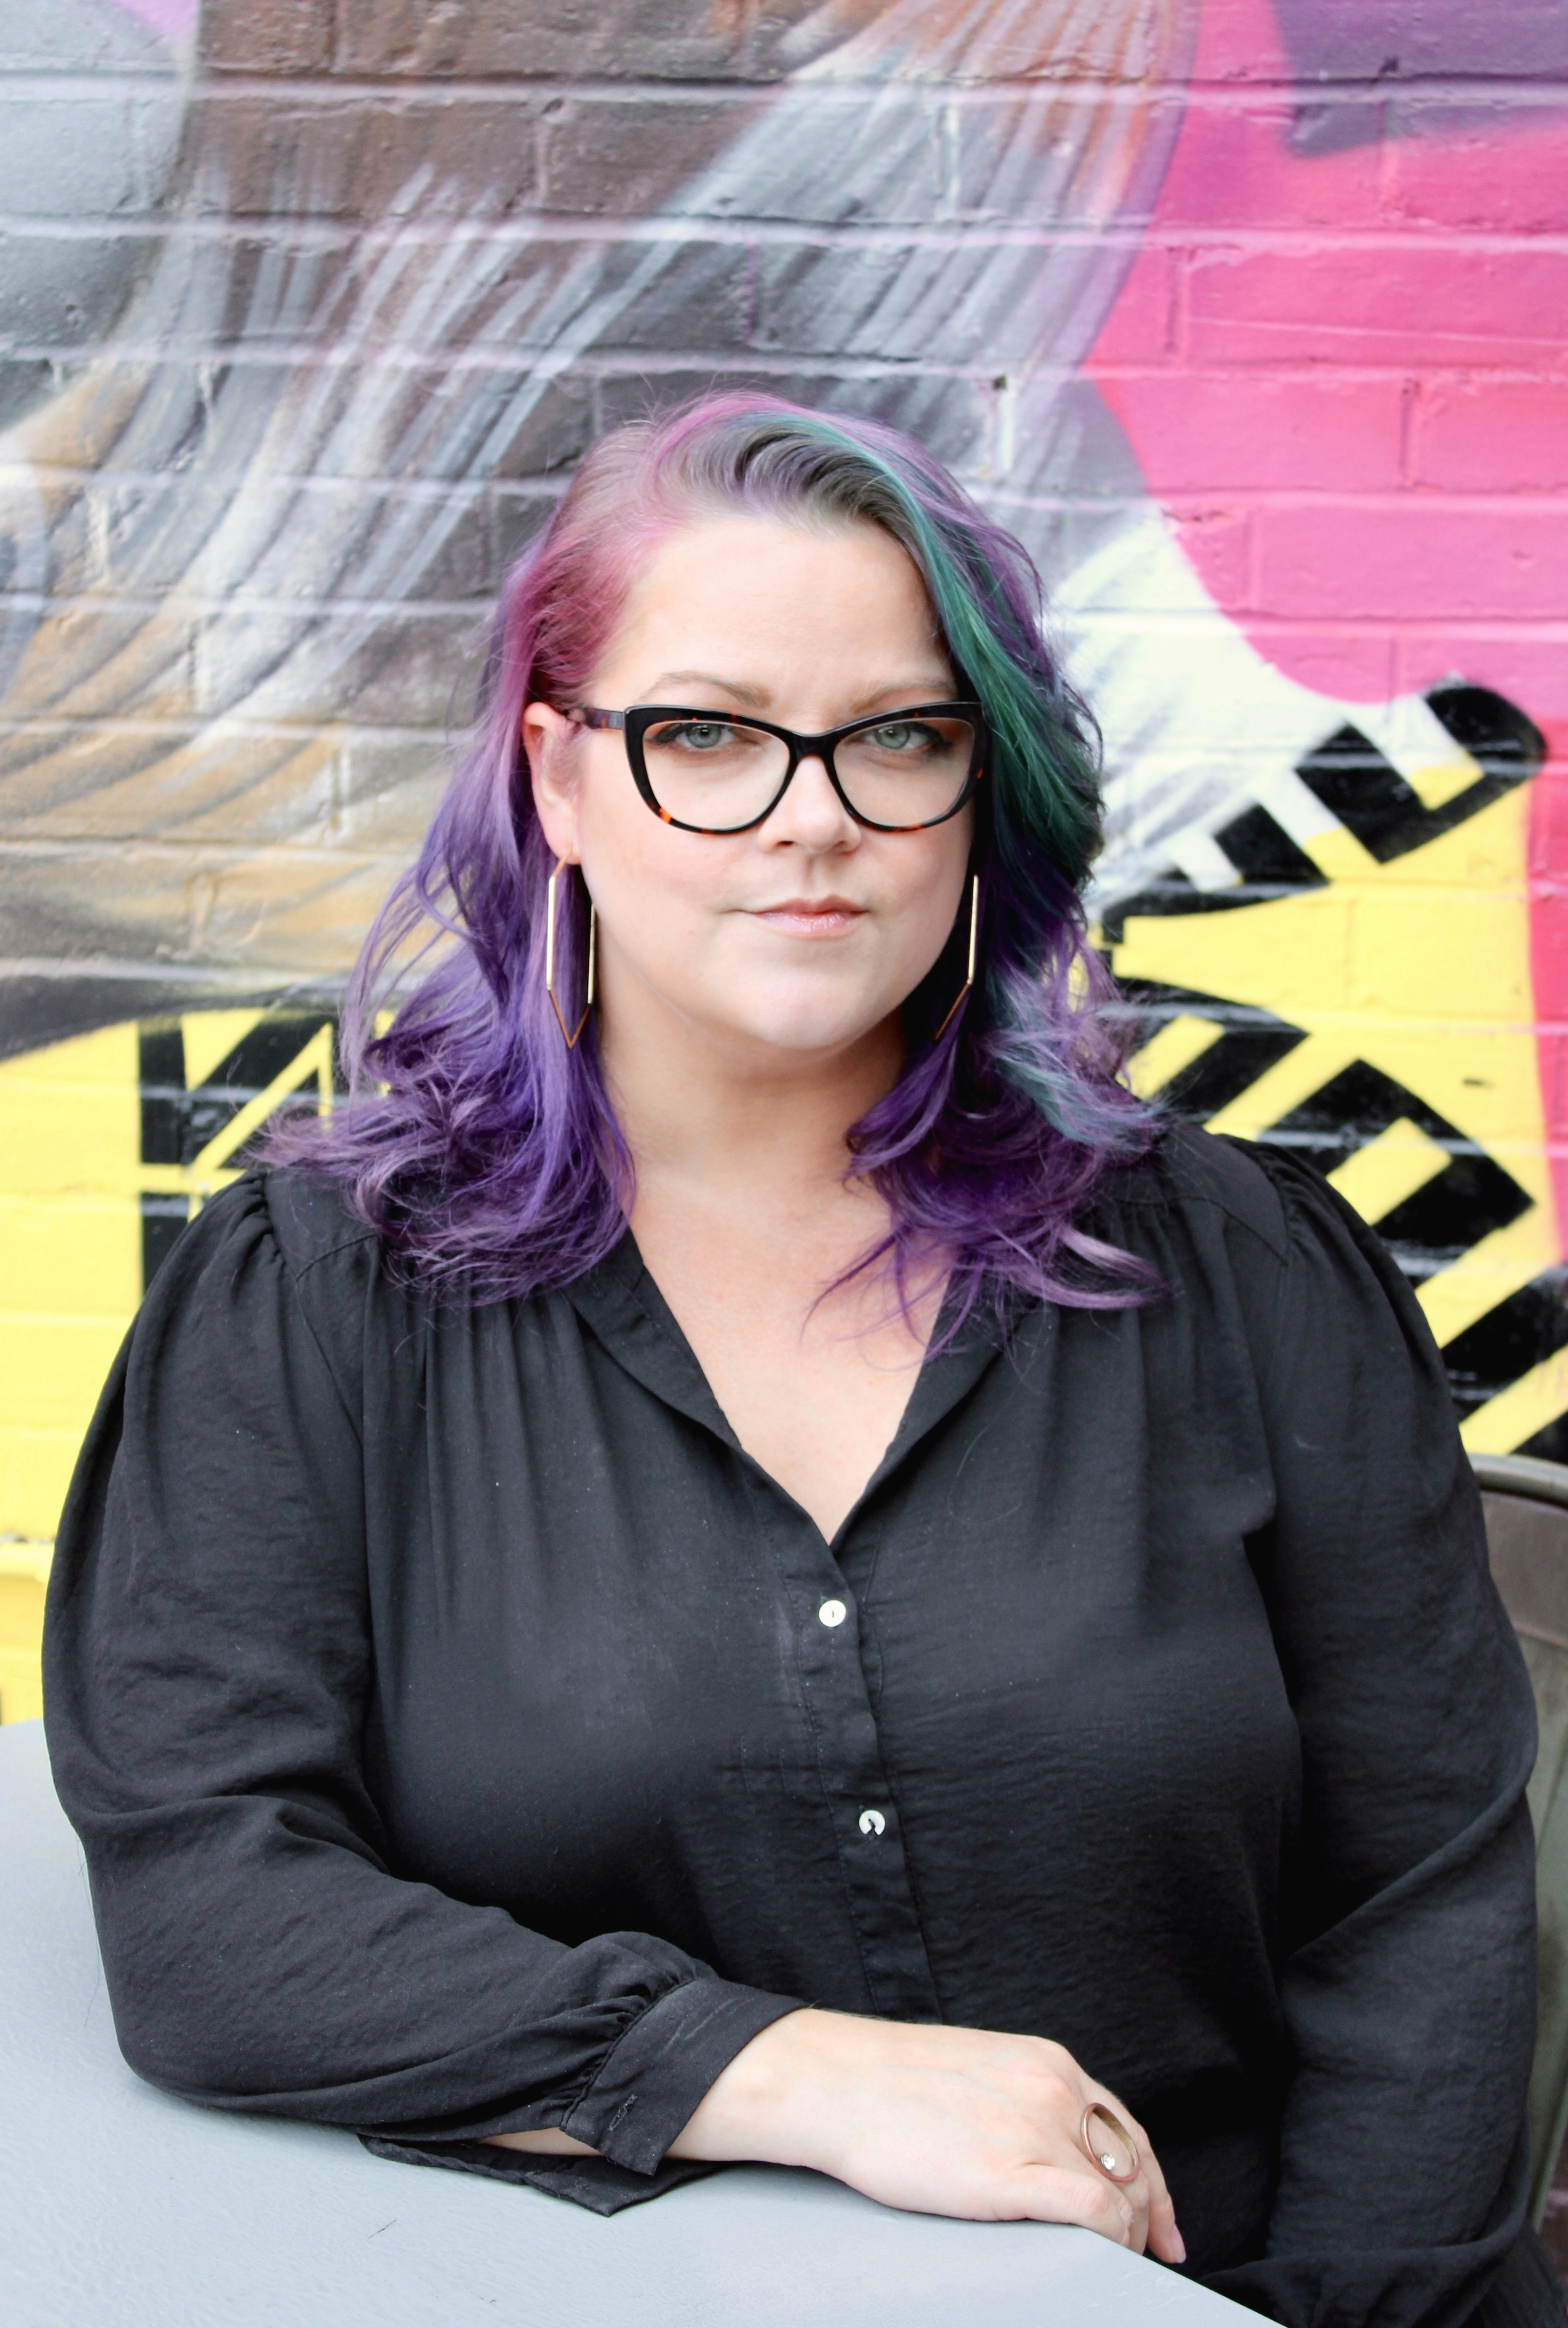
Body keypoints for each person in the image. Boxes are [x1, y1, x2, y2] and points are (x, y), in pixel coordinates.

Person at [43, 396, 1556, 2327]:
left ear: (977, 788)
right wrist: (780, 2069)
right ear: (559, 785)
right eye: (708, 736)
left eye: (900, 737)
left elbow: (1417, 1907)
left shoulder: (1241, 1271)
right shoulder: (317, 1301)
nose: (813, 815)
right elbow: (215, 1910)